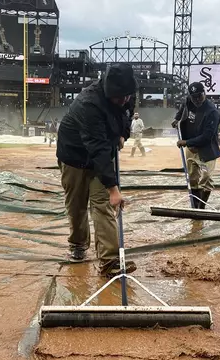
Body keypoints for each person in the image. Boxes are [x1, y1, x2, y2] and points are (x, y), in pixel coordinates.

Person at [56, 63, 138, 277]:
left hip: (101, 149)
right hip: (74, 156)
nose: (124, 101)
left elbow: (127, 114)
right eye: (119, 98)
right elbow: (98, 148)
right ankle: (78, 244)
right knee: (77, 205)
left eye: (126, 96)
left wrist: (123, 134)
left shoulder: (126, 94)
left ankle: (110, 261)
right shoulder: (88, 103)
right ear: (108, 90)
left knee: (102, 205)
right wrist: (114, 189)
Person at [171, 82, 220, 209]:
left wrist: (187, 142)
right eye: (194, 97)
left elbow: (207, 137)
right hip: (191, 147)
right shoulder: (189, 101)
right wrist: (177, 118)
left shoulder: (212, 112)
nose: (197, 100)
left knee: (206, 178)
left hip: (207, 149)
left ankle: (201, 208)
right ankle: (195, 206)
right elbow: (183, 106)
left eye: (199, 96)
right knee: (192, 177)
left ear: (204, 93)